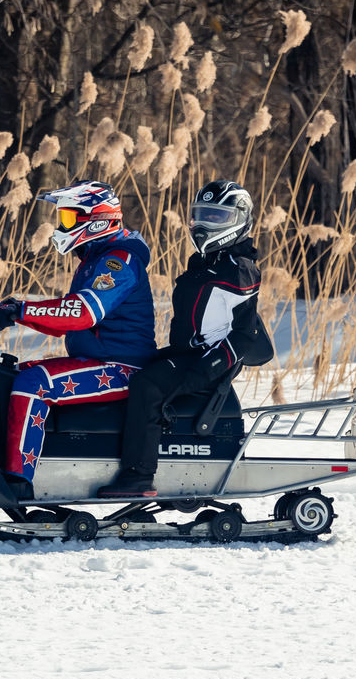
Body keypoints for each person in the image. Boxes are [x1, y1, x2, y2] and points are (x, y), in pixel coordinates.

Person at [97, 180, 274, 498]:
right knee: (133, 367)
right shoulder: (207, 263)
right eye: (201, 215)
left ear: (239, 219)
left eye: (217, 217)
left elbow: (245, 335)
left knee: (147, 385)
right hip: (187, 354)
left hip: (208, 363)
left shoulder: (239, 270)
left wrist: (205, 370)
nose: (204, 224)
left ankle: (139, 477)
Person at [0, 181, 157, 487]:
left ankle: (17, 482)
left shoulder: (118, 261)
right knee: (8, 375)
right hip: (98, 360)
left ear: (97, 220)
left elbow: (81, 312)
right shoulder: (95, 258)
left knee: (34, 383)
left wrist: (22, 310)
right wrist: (13, 312)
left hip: (121, 368)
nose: (62, 225)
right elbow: (68, 318)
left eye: (68, 218)